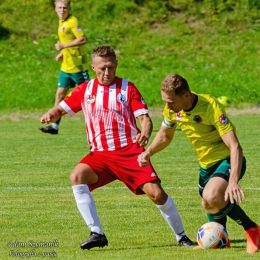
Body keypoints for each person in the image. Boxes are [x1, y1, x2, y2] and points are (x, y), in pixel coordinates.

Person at [40, 46, 195, 250]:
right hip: (100, 156)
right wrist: (53, 114)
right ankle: (97, 233)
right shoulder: (85, 90)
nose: (107, 72)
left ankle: (182, 237)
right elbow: (62, 108)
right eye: (103, 68)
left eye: (111, 67)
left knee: (157, 194)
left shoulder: (127, 88)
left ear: (116, 65)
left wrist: (145, 133)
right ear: (93, 67)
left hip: (129, 153)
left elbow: (144, 118)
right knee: (77, 177)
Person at [137, 73, 260, 254]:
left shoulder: (210, 106)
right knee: (208, 204)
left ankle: (252, 229)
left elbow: (235, 146)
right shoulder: (171, 109)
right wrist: (148, 152)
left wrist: (233, 180)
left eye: (170, 101)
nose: (167, 105)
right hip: (205, 164)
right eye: (165, 101)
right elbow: (165, 135)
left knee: (212, 195)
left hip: (227, 160)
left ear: (185, 95)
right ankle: (221, 239)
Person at [39, 0, 89, 135]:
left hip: (78, 66)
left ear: (69, 8)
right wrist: (62, 53)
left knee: (89, 96)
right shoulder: (61, 22)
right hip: (66, 66)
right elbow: (68, 42)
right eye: (60, 7)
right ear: (55, 9)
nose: (62, 10)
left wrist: (63, 47)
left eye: (65, 8)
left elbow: (83, 39)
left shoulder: (73, 21)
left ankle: (98, 124)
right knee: (60, 94)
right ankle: (54, 126)